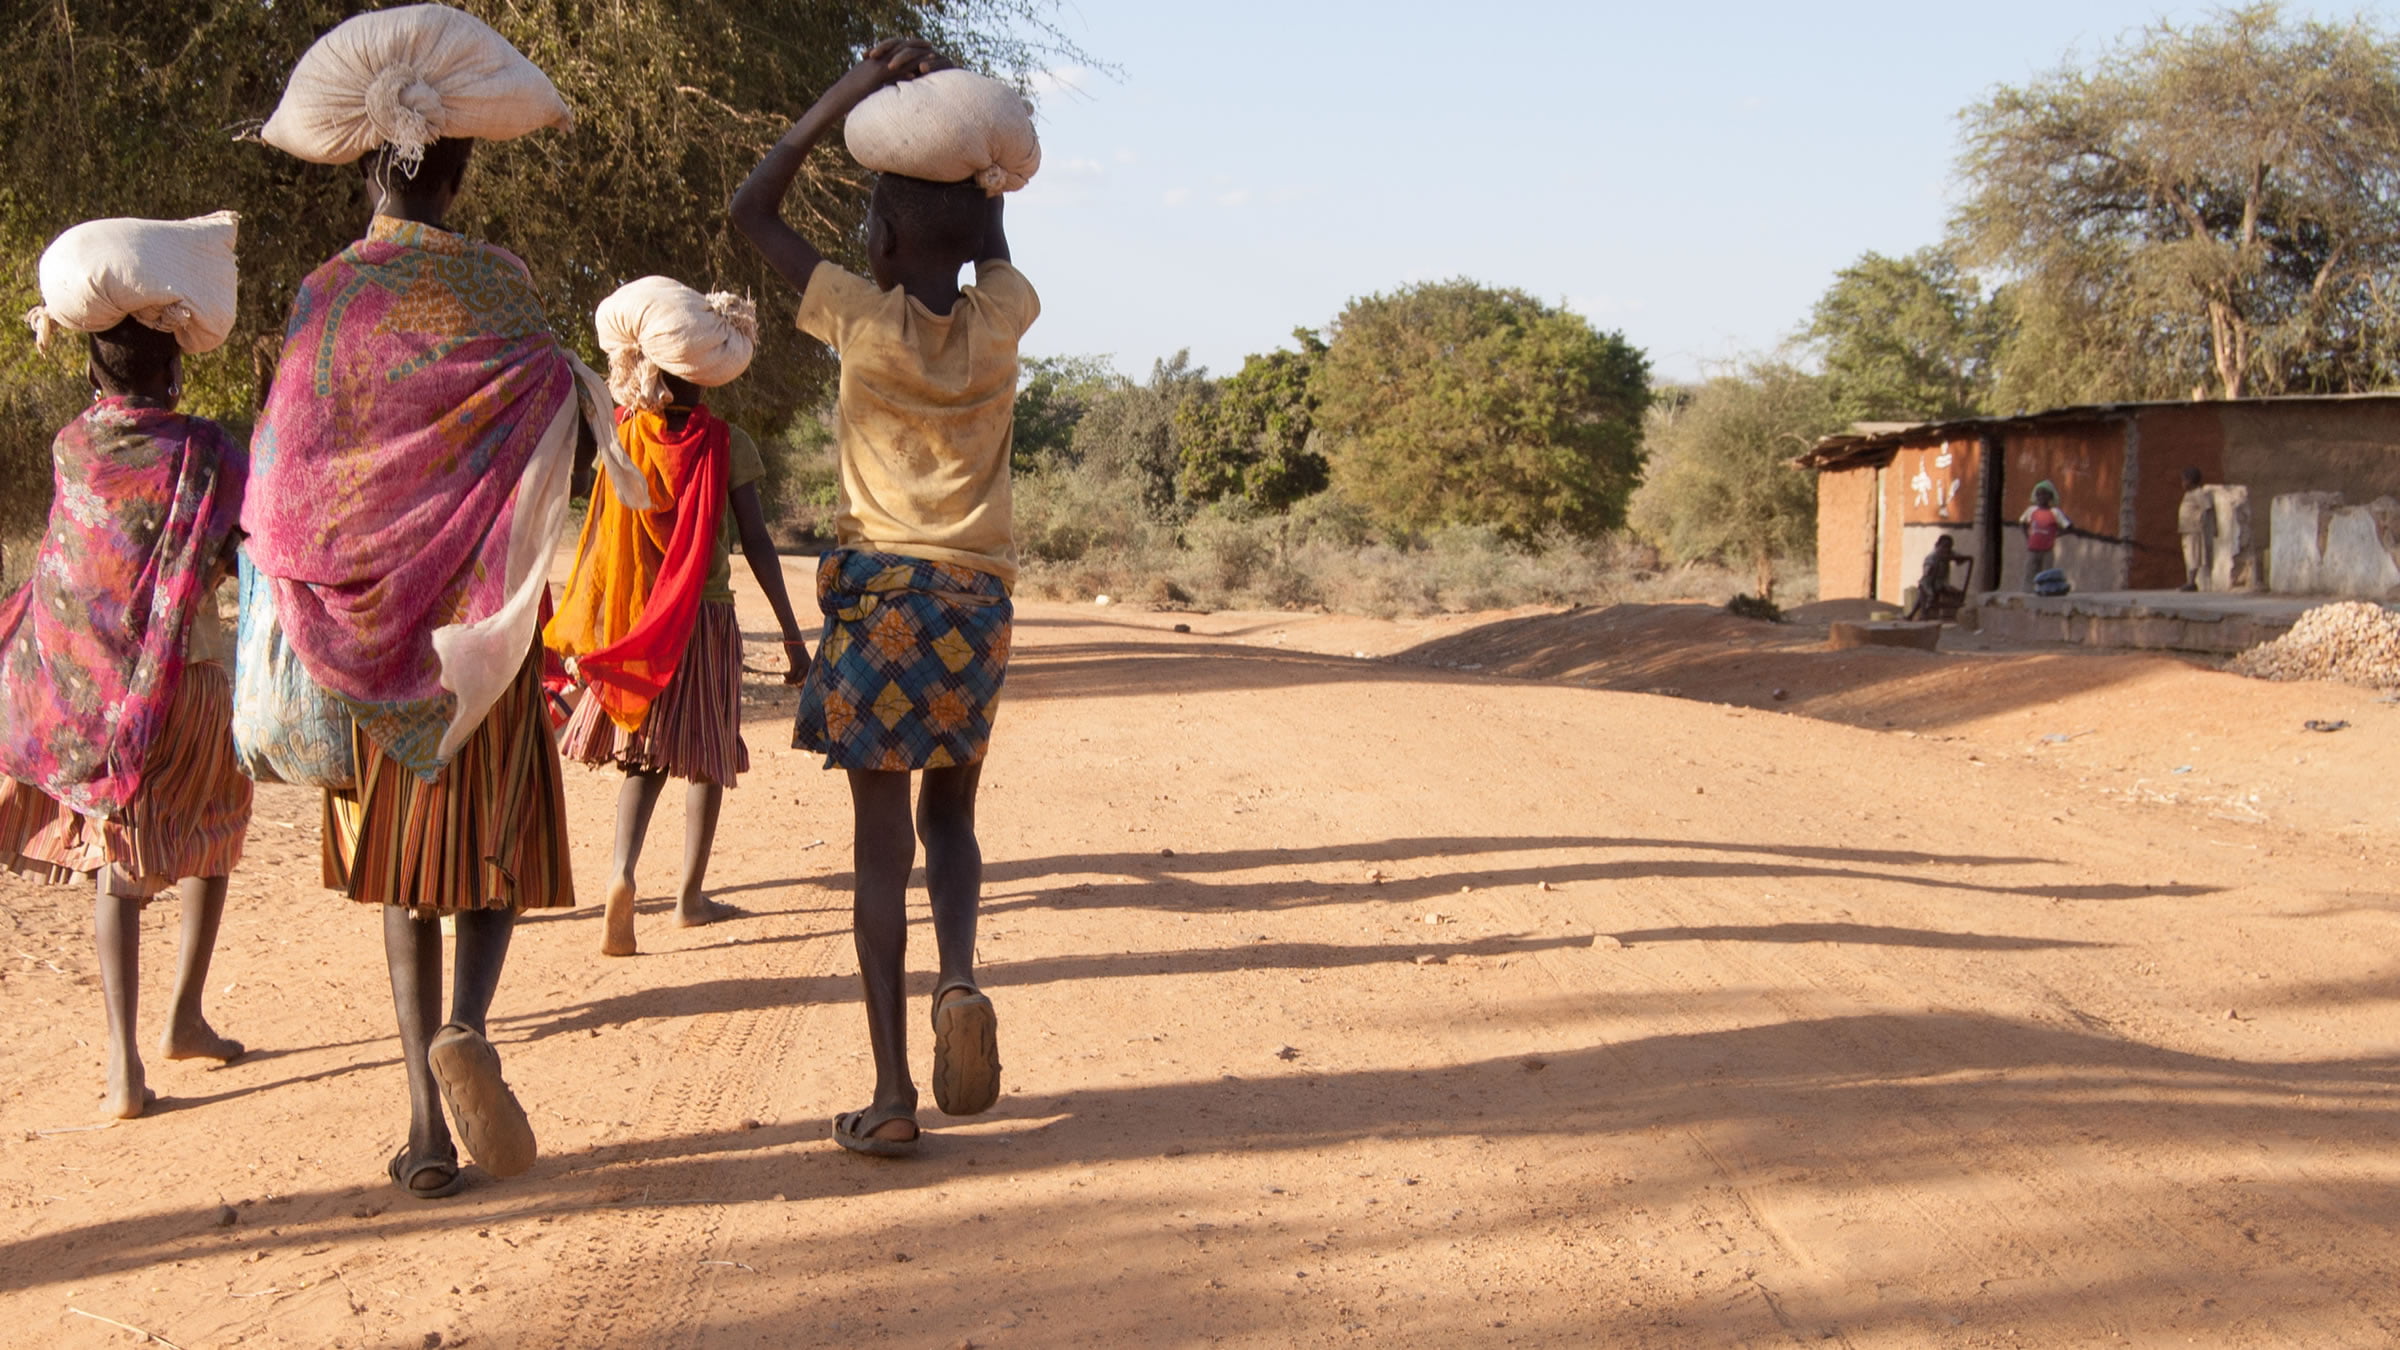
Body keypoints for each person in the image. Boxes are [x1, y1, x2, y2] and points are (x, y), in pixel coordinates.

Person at [244, 131, 625, 1198]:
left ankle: (424, 1128)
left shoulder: (329, 293)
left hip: (377, 637)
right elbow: (553, 405)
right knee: (489, 848)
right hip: (484, 629)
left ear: (371, 169)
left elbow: (286, 466)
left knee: (404, 882)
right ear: (457, 175)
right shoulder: (499, 284)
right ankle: (469, 1026)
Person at [732, 37, 1034, 1157]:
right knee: (951, 814)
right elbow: (989, 237)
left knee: (877, 850)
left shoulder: (858, 316)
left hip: (877, 603)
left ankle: (895, 1093)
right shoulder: (1002, 317)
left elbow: (750, 207)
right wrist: (974, 141)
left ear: (880, 238)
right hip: (975, 601)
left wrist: (853, 94)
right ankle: (959, 980)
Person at [0, 259, 251, 1120]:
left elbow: (75, 569)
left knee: (120, 855)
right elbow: (230, 549)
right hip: (194, 681)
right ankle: (185, 1012)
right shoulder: (209, 450)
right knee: (211, 832)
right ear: (175, 368)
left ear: (89, 370)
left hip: (103, 696)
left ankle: (122, 1066)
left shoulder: (71, 445)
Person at [547, 278, 811, 957]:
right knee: (706, 756)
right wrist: (790, 632)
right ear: (706, 377)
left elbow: (601, 540)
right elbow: (756, 544)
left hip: (642, 622)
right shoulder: (728, 444)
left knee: (643, 757)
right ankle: (691, 896)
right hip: (706, 619)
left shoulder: (625, 438)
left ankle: (621, 876)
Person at [2019, 482, 2073, 589]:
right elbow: (2022, 522)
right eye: (2038, 494)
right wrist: (2027, 537)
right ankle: (2027, 593)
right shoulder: (2031, 510)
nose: (2041, 497)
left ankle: (2044, 592)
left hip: (2047, 550)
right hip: (2033, 548)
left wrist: (2055, 535)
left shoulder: (2055, 512)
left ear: (2051, 497)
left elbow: (2069, 527)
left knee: (2046, 574)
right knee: (2030, 572)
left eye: (2044, 494)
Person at [1904, 535, 1971, 620]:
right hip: (1928, 582)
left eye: (1948, 547)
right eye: (1944, 547)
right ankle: (1923, 613)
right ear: (1937, 545)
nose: (1946, 550)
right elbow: (1927, 573)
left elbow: (1960, 559)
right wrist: (1930, 569)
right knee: (1928, 594)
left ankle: (1915, 614)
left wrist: (1959, 558)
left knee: (1955, 593)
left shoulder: (1949, 554)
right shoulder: (1931, 557)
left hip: (1940, 582)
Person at [2178, 467, 2214, 592]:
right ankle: (2190, 581)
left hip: (2194, 529)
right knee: (2188, 556)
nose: (2182, 483)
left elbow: (2207, 508)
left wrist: (2201, 521)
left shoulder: (2199, 493)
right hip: (2186, 529)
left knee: (2193, 556)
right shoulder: (2189, 494)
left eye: (2184, 480)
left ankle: (2191, 582)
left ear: (2191, 481)